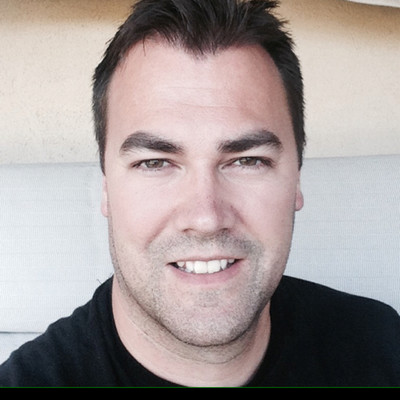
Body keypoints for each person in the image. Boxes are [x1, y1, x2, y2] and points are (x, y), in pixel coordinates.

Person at [0, 0, 399, 387]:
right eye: (155, 162)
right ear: (106, 188)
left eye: (248, 161)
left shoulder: (382, 347)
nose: (206, 218)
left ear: (296, 178)